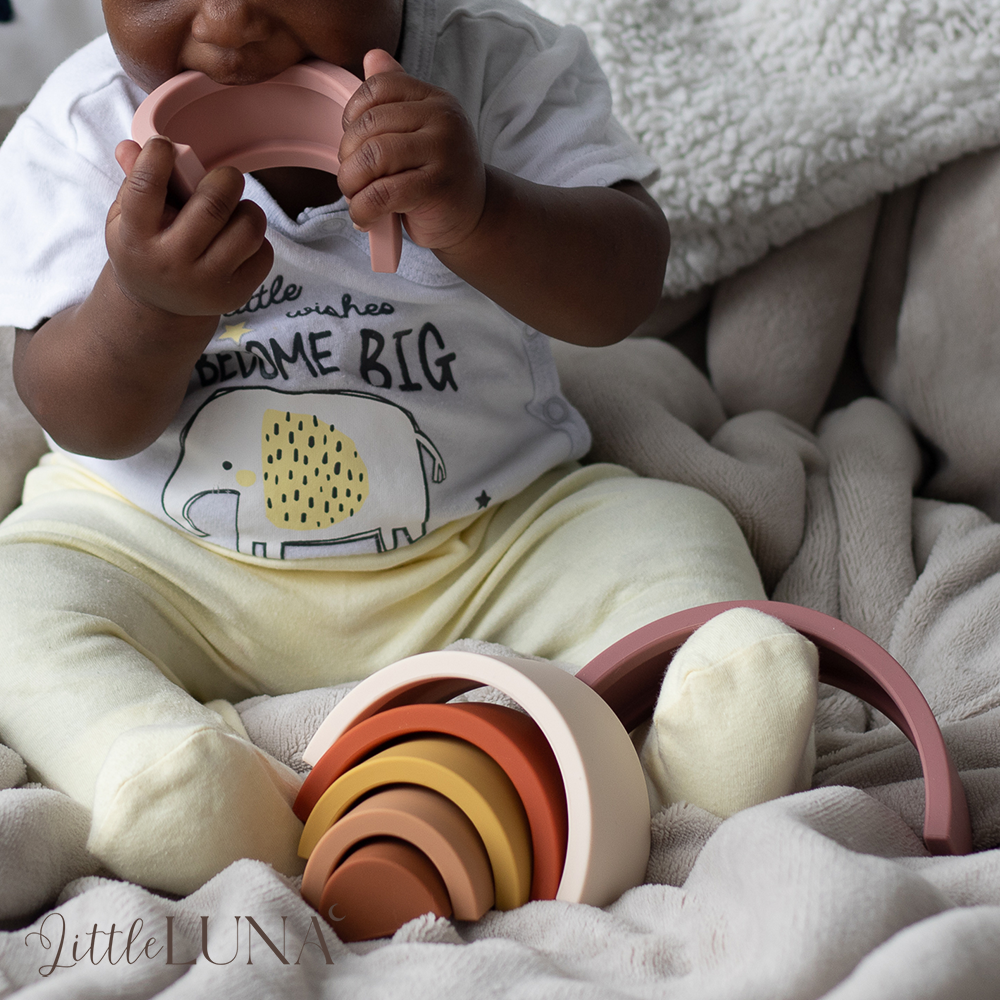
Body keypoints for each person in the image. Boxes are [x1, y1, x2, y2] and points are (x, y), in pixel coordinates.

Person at [0, 0, 817, 897]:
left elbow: (620, 292)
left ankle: (708, 734)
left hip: (487, 538)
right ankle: (171, 780)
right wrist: (143, 307)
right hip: (170, 552)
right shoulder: (80, 132)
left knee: (673, 527)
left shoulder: (499, 68)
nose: (228, 19)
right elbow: (79, 415)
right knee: (17, 606)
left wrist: (483, 210)